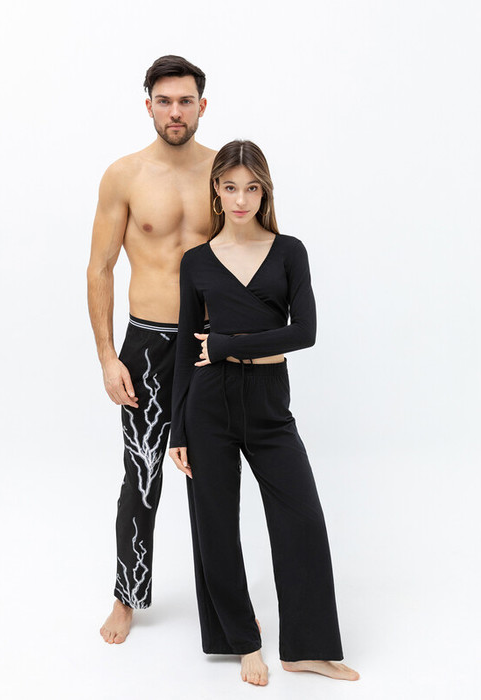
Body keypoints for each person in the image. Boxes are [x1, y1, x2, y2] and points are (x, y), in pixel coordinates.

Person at [169, 140, 359, 686]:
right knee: (215, 526)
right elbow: (186, 347)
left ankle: (307, 648)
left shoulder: (289, 251)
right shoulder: (196, 261)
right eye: (230, 187)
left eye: (251, 188)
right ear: (216, 189)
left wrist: (229, 344)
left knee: (302, 521)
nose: (240, 199)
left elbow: (305, 332)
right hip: (208, 404)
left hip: (269, 402)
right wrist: (178, 429)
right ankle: (241, 641)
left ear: (264, 191)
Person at [87, 55, 215, 644]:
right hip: (148, 345)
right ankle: (127, 595)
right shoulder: (125, 175)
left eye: (185, 101)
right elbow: (100, 268)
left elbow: (255, 255)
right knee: (141, 477)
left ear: (202, 106)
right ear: (149, 106)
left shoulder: (225, 172)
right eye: (164, 101)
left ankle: (226, 605)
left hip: (211, 346)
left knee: (213, 479)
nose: (175, 111)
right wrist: (107, 356)